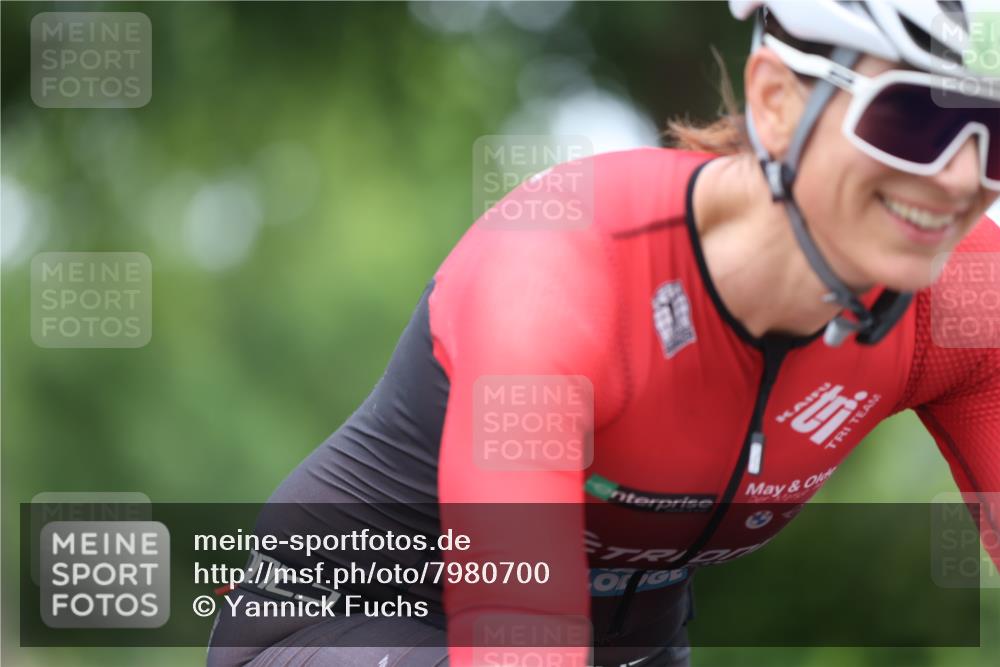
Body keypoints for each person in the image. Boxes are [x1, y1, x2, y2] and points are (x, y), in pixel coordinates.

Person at [208, 1, 1000, 665]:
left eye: (987, 131)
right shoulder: (561, 278)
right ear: (776, 101)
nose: (960, 178)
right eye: (903, 121)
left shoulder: (968, 299)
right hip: (335, 628)